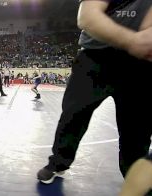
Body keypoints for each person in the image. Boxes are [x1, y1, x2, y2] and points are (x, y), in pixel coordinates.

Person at [37, 0, 152, 184]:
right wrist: (133, 40)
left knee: (137, 129)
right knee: (73, 115)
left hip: (140, 63)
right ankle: (59, 162)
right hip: (95, 56)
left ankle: (134, 176)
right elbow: (87, 17)